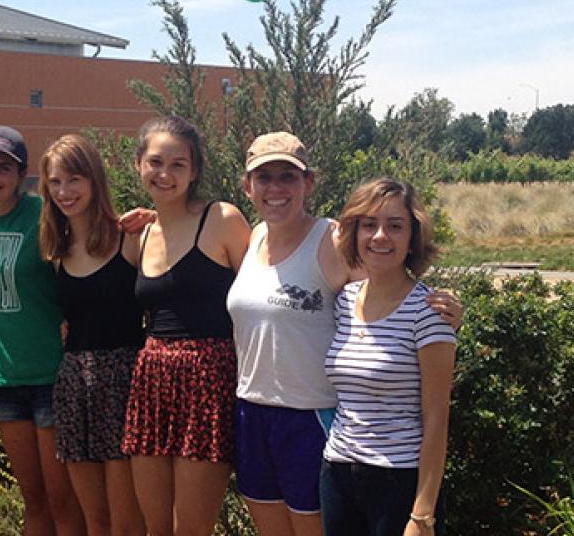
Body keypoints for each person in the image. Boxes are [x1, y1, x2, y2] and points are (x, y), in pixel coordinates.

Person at [227, 134, 463, 536]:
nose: (276, 187)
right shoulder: (252, 238)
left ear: (309, 183)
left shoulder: (332, 239)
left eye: (288, 175)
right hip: (260, 417)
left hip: (313, 420)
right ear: (248, 186)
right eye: (264, 177)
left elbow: (387, 281)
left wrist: (442, 311)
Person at [122, 116, 252, 536]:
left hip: (208, 382)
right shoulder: (137, 235)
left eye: (179, 164)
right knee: (155, 528)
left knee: (191, 530)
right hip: (151, 382)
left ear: (194, 171)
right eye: (156, 162)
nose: (165, 173)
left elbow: (270, 283)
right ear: (139, 164)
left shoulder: (222, 219)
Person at [320, 178, 455, 536]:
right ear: (354, 232)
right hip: (337, 471)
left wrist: (423, 514)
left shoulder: (429, 313)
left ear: (413, 238)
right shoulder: (344, 302)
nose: (380, 236)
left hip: (398, 481)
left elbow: (437, 418)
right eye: (369, 224)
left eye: (395, 226)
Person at [0, 126, 86, 536]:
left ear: (22, 176)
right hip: (6, 380)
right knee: (33, 500)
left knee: (63, 501)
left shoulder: (43, 213)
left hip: (50, 374)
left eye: (4, 168)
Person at [40, 134, 146, 536]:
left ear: (94, 180)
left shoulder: (131, 238)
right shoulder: (55, 249)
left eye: (74, 179)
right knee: (93, 522)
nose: (65, 191)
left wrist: (154, 215)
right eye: (55, 182)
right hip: (73, 386)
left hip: (124, 384)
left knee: (127, 523)